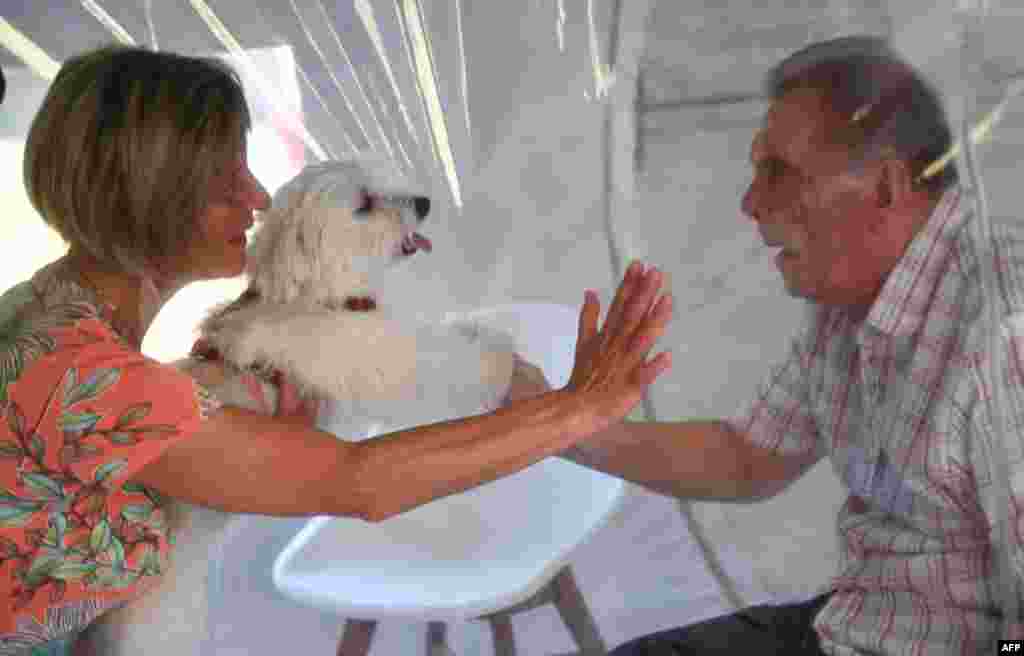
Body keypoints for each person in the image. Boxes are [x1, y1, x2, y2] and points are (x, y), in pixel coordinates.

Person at [0, 45, 673, 652]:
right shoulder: (84, 373)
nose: (258, 198)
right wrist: (575, 409)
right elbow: (361, 482)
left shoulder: (39, 315)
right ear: (148, 198)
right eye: (225, 182)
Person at [523, 34, 1020, 654]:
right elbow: (746, 456)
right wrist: (555, 422)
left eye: (778, 172)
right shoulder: (851, 304)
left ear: (888, 187)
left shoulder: (1006, 332)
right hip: (857, 623)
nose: (751, 203)